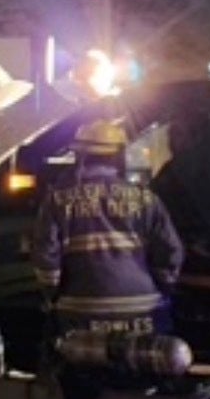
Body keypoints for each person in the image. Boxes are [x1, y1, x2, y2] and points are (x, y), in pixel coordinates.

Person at [32, 119, 184, 339]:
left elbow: (46, 259)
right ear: (119, 156)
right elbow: (171, 252)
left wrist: (53, 295)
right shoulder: (146, 199)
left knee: (67, 365)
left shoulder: (57, 201)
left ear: (79, 157)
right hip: (144, 312)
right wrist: (162, 287)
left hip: (79, 312)